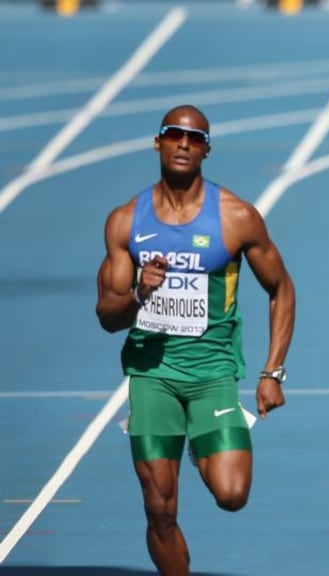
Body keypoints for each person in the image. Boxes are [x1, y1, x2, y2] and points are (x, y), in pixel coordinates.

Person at [95, 105, 296, 576]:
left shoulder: (236, 217)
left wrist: (273, 371)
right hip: (152, 375)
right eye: (174, 135)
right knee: (160, 510)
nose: (184, 144)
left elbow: (281, 288)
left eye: (195, 138)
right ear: (158, 142)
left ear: (207, 149)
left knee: (232, 494)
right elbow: (107, 316)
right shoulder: (126, 222)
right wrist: (140, 293)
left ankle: (196, 438)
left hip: (212, 374)